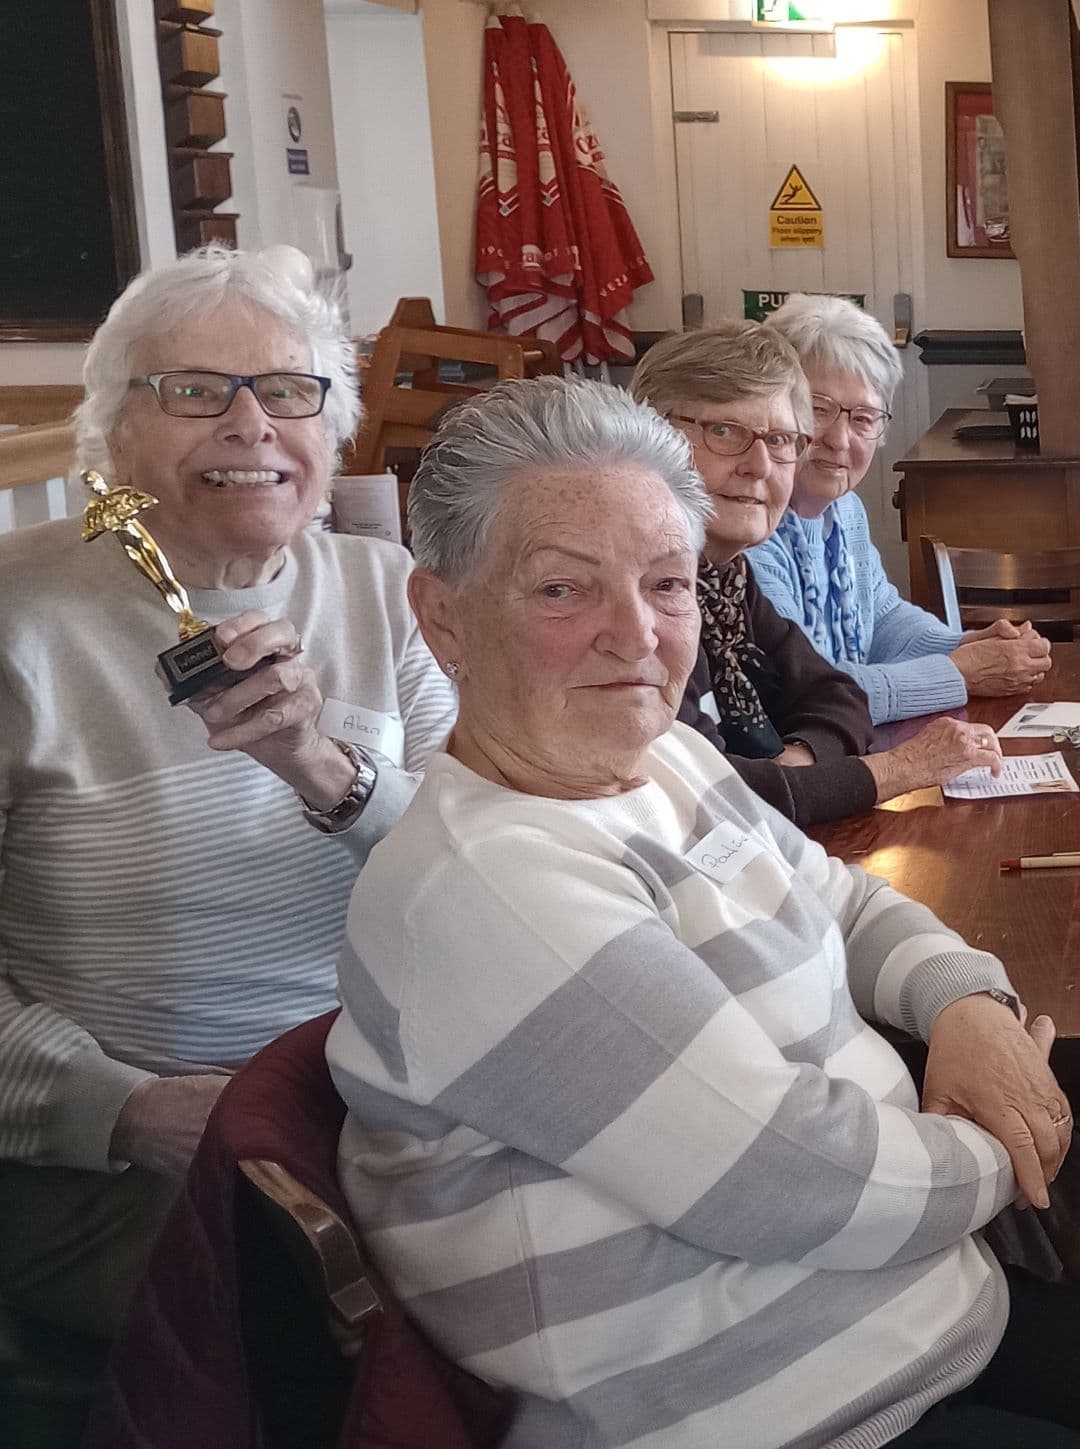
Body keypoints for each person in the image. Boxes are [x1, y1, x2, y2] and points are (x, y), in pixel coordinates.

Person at [329, 375, 1080, 1449]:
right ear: (442, 615)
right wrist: (1010, 1143)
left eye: (667, 584)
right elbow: (795, 1183)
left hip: (917, 1317)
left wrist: (968, 1007)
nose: (633, 635)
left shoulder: (664, 755)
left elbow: (851, 902)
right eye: (561, 590)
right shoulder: (489, 885)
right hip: (775, 1408)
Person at [0, 244, 456, 1337]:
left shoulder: (386, 592)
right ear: (113, 430)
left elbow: (478, 870)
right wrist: (129, 1112)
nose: (251, 426)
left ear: (330, 427)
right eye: (195, 392)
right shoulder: (17, 619)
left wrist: (319, 767)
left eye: (290, 390)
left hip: (383, 1101)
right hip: (117, 1156)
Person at [630, 322, 1004, 826]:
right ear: (650, 435)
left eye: (781, 439)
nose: (759, 464)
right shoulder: (640, 597)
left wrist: (797, 765)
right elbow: (711, 797)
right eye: (724, 431)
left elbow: (838, 695)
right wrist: (900, 768)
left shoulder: (725, 575)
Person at [746, 294, 1050, 724]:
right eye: (817, 410)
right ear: (772, 410)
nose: (840, 439)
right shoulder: (748, 532)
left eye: (863, 418)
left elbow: (882, 617)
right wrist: (960, 672)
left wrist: (962, 644)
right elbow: (807, 690)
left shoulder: (846, 511)